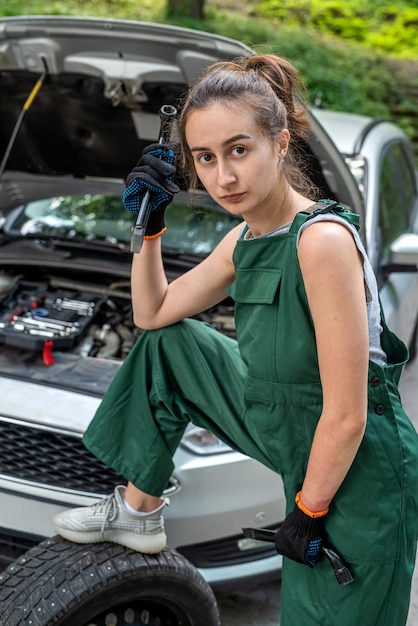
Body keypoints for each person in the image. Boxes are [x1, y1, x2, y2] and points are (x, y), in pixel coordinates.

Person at [53, 53, 418, 626]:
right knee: (169, 345)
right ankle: (137, 511)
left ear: (279, 142)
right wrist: (148, 228)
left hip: (359, 462)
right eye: (205, 158)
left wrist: (308, 510)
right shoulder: (246, 236)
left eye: (238, 150)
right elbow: (153, 315)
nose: (222, 176)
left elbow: (348, 416)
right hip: (284, 418)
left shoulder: (319, 240)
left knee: (320, 614)